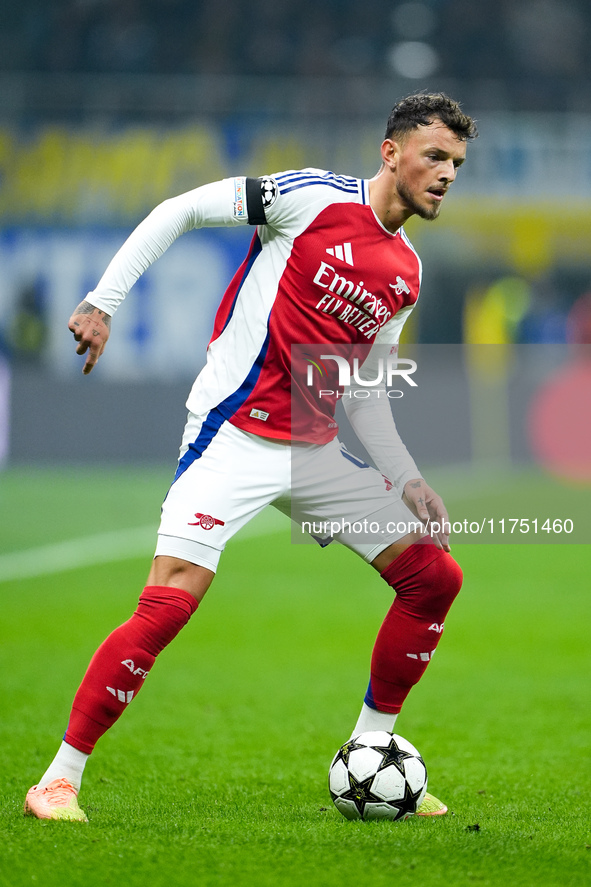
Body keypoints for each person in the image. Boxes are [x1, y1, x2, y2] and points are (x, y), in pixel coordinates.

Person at [24, 92, 477, 822]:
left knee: (432, 578)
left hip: (314, 450)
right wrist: (103, 301)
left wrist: (406, 477)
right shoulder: (308, 198)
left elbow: (363, 393)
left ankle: (370, 752)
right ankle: (57, 779)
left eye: (456, 162)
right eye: (433, 155)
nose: (446, 172)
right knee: (169, 602)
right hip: (231, 437)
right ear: (390, 151)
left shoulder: (405, 273)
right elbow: (179, 209)